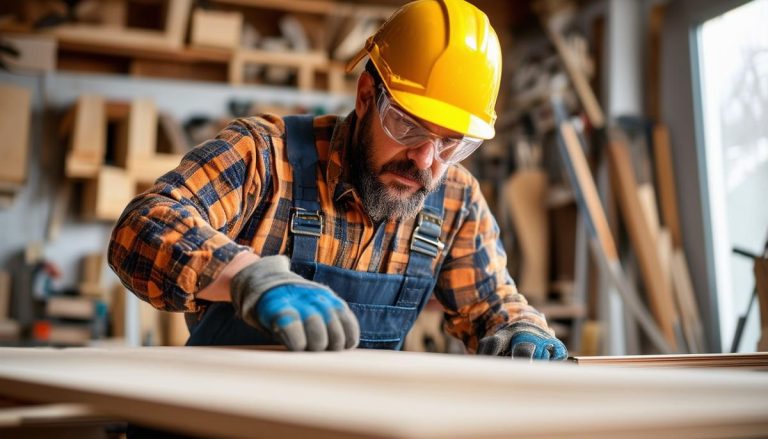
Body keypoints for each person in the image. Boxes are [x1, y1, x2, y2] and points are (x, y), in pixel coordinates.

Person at [108, 0, 567, 360]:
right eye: (408, 127)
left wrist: (521, 330)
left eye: (453, 144)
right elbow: (140, 228)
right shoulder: (265, 156)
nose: (425, 160)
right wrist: (246, 277)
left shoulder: (455, 200)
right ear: (366, 96)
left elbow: (492, 306)